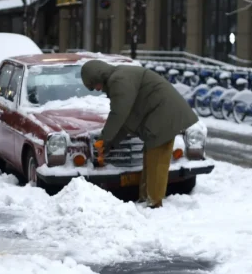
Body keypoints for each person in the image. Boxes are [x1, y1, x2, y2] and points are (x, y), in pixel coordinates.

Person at [81, 59, 198, 209]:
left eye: (94, 85)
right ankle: (145, 199)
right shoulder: (119, 78)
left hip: (164, 114)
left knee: (157, 161)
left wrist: (103, 140)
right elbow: (126, 121)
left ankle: (154, 204)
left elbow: (118, 115)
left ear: (99, 76)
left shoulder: (118, 80)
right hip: (159, 115)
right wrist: (110, 144)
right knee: (150, 158)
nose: (97, 90)